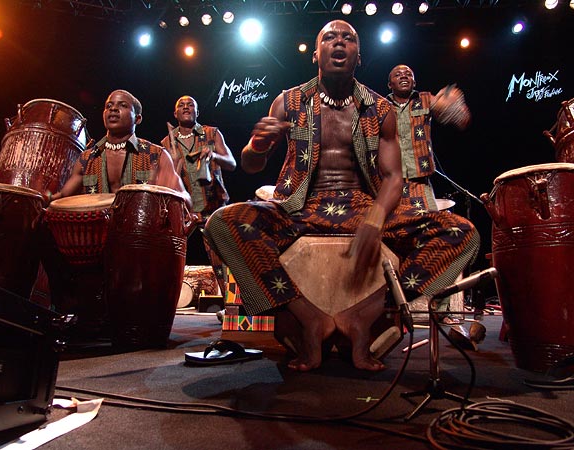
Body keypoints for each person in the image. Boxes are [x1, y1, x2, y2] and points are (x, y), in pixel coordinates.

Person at [204, 20, 480, 372]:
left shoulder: (380, 110)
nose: (338, 42)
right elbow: (251, 164)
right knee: (222, 223)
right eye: (329, 37)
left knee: (462, 233)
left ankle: (370, 312)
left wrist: (376, 218)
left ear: (359, 56)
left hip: (361, 206)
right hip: (298, 208)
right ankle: (306, 316)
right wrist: (258, 145)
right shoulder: (287, 101)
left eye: (348, 38)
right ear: (315, 53)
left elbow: (395, 177)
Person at [50, 89, 191, 208]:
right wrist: (45, 198)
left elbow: (185, 198)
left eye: (123, 105)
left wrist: (163, 196)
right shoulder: (86, 159)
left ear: (138, 118)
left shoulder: (156, 155)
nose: (113, 109)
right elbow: (62, 197)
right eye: (108, 106)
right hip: (97, 237)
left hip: (141, 236)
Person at [161, 95, 236, 291]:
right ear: (175, 113)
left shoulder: (211, 133)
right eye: (181, 105)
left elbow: (232, 163)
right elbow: (167, 180)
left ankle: (232, 307)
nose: (186, 107)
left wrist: (214, 155)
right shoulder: (167, 142)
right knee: (170, 256)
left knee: (223, 260)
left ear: (197, 112)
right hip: (183, 210)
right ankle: (165, 303)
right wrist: (174, 163)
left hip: (212, 207)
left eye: (190, 105)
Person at [387, 64, 471, 211]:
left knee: (429, 228)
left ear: (414, 82)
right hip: (390, 183)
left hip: (420, 183)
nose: (404, 75)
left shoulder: (425, 99)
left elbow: (459, 118)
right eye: (398, 74)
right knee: (393, 230)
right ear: (389, 84)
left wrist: (452, 105)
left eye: (408, 74)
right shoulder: (382, 106)